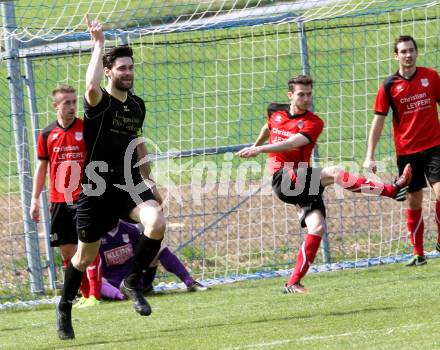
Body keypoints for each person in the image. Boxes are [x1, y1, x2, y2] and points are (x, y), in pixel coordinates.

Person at [237, 74, 412, 294]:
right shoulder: (275, 111)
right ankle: (392, 190)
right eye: (301, 94)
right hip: (283, 179)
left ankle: (293, 283)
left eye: (309, 94)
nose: (306, 98)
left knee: (317, 227)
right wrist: (255, 145)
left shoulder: (314, 122)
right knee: (334, 172)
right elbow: (268, 127)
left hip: (302, 180)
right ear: (290, 95)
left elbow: (292, 142)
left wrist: (259, 149)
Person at [56, 16, 167, 340]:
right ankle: (64, 307)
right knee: (83, 257)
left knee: (156, 222)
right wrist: (98, 44)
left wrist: (151, 183)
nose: (128, 73)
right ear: (109, 71)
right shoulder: (99, 103)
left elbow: (138, 145)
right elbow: (89, 87)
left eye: (131, 67)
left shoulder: (137, 107)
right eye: (121, 68)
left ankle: (132, 281)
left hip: (128, 183)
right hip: (96, 188)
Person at [363, 35, 440, 267]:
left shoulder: (431, 77)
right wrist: (370, 155)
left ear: (417, 52)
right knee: (414, 201)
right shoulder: (388, 86)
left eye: (411, 50)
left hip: (435, 146)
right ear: (396, 55)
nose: (408, 55)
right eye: (403, 51)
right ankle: (418, 253)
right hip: (407, 152)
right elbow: (378, 121)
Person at [30, 85, 102, 307]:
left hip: (85, 197)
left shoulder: (86, 128)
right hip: (59, 200)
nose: (72, 107)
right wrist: (34, 200)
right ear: (56, 106)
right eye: (66, 103)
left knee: (87, 247)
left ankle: (95, 296)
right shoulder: (46, 134)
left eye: (74, 102)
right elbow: (41, 168)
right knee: (68, 251)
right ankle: (82, 294)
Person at [99, 220, 208, 300]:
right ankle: (121, 296)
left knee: (157, 247)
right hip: (113, 284)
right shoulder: (94, 236)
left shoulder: (130, 229)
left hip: (136, 279)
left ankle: (190, 283)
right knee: (95, 279)